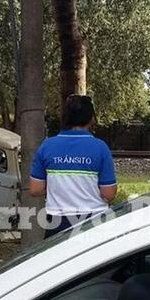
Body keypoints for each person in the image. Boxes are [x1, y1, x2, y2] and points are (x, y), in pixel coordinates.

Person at [30, 95, 117, 238]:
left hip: (57, 222)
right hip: (94, 221)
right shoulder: (100, 148)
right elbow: (109, 194)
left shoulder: (47, 146)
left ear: (66, 117)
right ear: (91, 118)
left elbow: (35, 189)